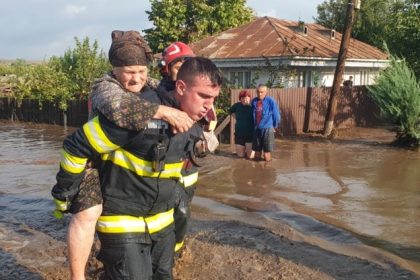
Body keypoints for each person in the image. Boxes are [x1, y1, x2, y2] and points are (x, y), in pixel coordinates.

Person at [52, 56, 222, 279]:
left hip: (162, 224)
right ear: (181, 87)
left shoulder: (193, 120)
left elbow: (182, 172)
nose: (209, 107)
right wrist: (65, 194)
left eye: (214, 99)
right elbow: (76, 146)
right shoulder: (137, 115)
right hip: (123, 223)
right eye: (204, 96)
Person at [250, 84, 281, 162]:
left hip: (267, 128)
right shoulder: (254, 101)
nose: (259, 94)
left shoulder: (270, 101)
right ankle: (257, 170)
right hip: (257, 129)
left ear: (266, 92)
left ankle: (267, 170)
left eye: (261, 92)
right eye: (258, 92)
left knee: (266, 153)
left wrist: (275, 126)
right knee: (257, 152)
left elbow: (276, 115)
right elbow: (252, 115)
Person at [229, 90, 254, 158]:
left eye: (246, 97)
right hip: (239, 134)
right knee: (240, 156)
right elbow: (230, 111)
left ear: (249, 98)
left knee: (250, 157)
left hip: (250, 135)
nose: (244, 99)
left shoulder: (253, 106)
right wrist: (237, 118)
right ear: (240, 99)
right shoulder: (237, 105)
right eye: (242, 98)